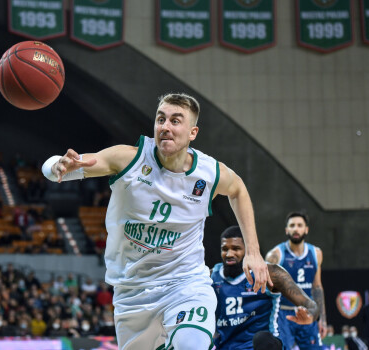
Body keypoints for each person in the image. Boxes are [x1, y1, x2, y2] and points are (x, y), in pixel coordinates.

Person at [42, 93, 271, 349]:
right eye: (161, 119)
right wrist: (56, 167)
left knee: (191, 344)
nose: (165, 127)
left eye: (175, 121)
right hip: (133, 292)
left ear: (192, 132)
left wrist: (253, 252)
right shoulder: (128, 159)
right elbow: (56, 169)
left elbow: (238, 189)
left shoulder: (208, 173)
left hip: (185, 283)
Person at [211, 226, 319, 350]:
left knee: (262, 339)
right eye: (225, 249)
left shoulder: (270, 273)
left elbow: (312, 305)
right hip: (227, 346)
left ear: (248, 250)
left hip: (261, 346)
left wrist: (310, 316)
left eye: (236, 249)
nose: (229, 254)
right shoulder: (211, 277)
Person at [266, 211, 326, 350]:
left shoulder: (316, 253)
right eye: (292, 225)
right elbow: (267, 291)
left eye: (299, 225)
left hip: (307, 312)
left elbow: (317, 287)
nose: (296, 229)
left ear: (306, 229)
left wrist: (321, 318)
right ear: (287, 230)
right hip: (283, 314)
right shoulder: (275, 255)